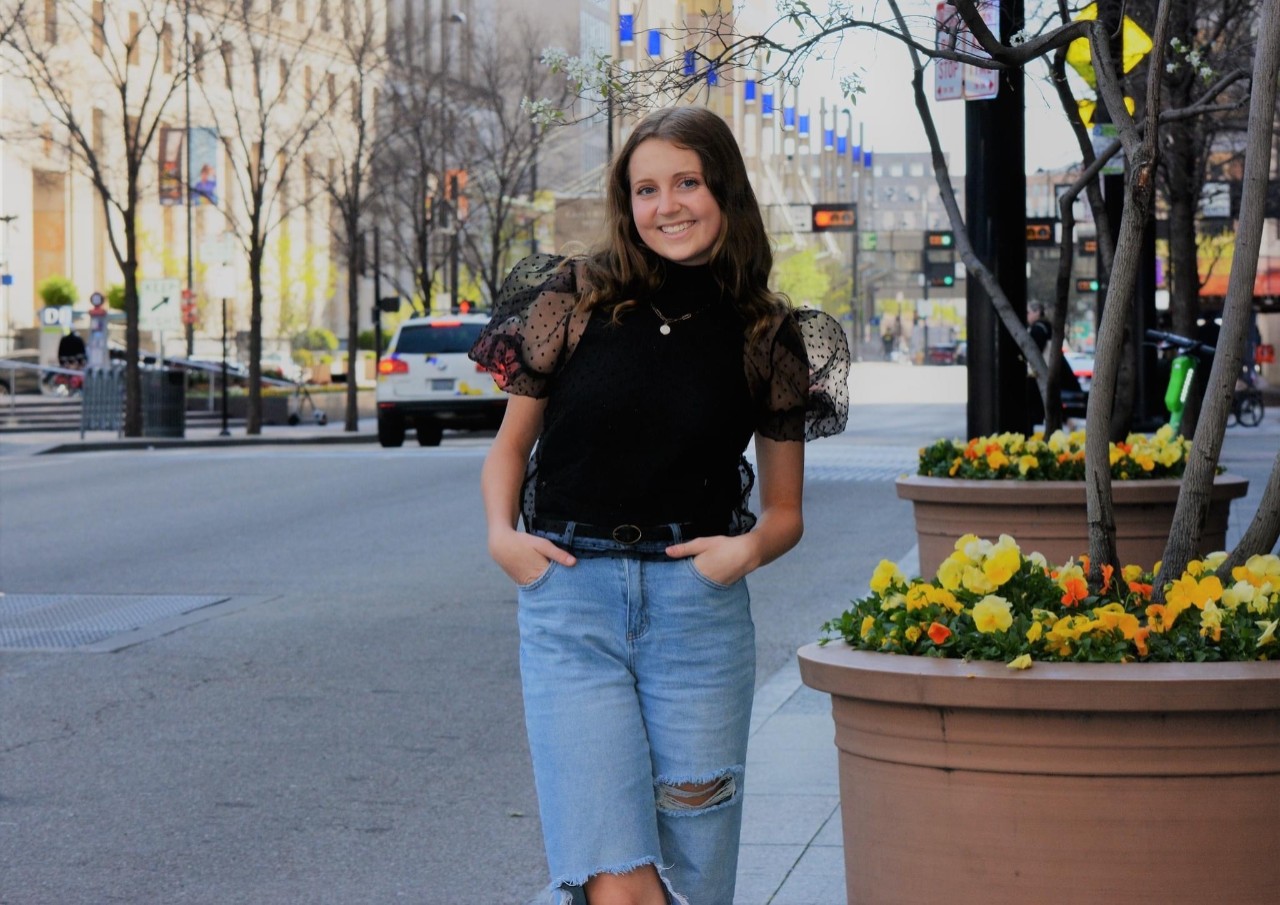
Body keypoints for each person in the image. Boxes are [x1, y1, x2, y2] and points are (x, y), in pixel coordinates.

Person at [470, 106, 849, 905]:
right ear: (626, 201)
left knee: (693, 877)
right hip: (571, 606)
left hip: (696, 622)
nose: (666, 204)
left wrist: (739, 553)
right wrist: (503, 537)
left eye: (687, 182)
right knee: (620, 883)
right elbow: (510, 447)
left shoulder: (768, 333)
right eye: (646, 188)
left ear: (725, 191)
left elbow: (785, 510)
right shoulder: (572, 298)